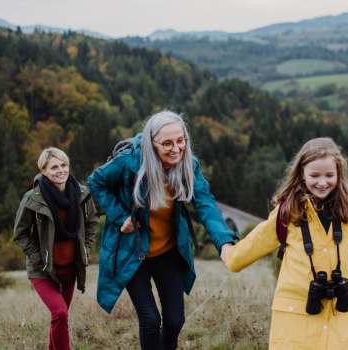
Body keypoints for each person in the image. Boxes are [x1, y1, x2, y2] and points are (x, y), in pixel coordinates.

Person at [88, 110, 237, 350]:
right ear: (151, 143)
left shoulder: (189, 165)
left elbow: (205, 203)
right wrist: (119, 217)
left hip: (167, 251)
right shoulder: (130, 162)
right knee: (150, 320)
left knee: (175, 320)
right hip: (133, 251)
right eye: (167, 143)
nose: (176, 148)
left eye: (180, 141)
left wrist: (224, 242)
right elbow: (96, 181)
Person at [220, 137, 348, 350]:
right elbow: (256, 242)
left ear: (339, 174)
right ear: (301, 175)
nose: (322, 182)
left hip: (340, 312)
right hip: (296, 312)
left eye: (329, 175)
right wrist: (229, 254)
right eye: (314, 175)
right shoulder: (287, 212)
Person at [13, 147, 98, 350]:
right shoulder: (33, 198)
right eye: (54, 167)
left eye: (64, 165)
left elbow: (92, 221)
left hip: (70, 269)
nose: (60, 170)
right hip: (43, 270)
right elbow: (20, 233)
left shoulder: (82, 194)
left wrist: (85, 248)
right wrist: (37, 258)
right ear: (43, 171)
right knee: (60, 313)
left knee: (60, 318)